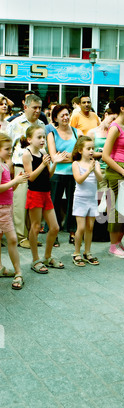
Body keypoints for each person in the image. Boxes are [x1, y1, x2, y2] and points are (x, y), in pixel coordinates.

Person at [22, 125, 66, 274]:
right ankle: (35, 259)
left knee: (54, 227)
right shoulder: (27, 154)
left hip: (46, 193)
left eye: (43, 137)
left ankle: (47, 257)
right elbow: (31, 177)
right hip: (34, 193)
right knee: (35, 227)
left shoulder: (43, 152)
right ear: (29, 139)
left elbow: (49, 175)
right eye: (39, 137)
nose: (42, 140)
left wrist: (55, 163)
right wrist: (43, 163)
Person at [6, 94, 45, 248]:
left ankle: (32, 235)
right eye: (34, 107)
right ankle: (21, 237)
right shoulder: (14, 124)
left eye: (39, 108)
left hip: (38, 168)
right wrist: (8, 167)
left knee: (34, 204)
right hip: (20, 169)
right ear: (25, 107)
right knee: (20, 204)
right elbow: (7, 147)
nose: (37, 111)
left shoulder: (42, 124)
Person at [102, 96, 124, 259]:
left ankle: (118, 242)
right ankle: (113, 246)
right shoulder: (115, 127)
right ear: (122, 108)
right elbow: (105, 155)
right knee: (116, 210)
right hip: (117, 169)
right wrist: (121, 171)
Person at [47, 104, 83, 246]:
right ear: (55, 118)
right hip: (56, 173)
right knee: (54, 204)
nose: (65, 117)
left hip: (73, 173)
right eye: (62, 115)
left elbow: (79, 154)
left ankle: (73, 232)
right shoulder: (52, 134)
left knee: (73, 203)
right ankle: (54, 233)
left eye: (67, 114)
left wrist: (66, 156)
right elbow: (53, 156)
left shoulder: (76, 132)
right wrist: (70, 156)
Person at [0, 133, 29, 290]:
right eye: (7, 149)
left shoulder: (4, 165)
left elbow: (8, 189)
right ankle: (18, 271)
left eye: (11, 148)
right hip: (2, 209)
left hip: (5, 207)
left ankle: (1, 268)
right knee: (12, 239)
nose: (10, 151)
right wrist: (15, 181)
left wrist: (16, 182)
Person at [71, 136, 102, 267]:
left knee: (90, 227)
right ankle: (76, 252)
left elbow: (100, 179)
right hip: (80, 199)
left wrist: (94, 169)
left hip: (92, 198)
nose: (91, 151)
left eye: (92, 148)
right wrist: (89, 170)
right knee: (81, 227)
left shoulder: (96, 164)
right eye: (88, 148)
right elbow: (78, 180)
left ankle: (87, 252)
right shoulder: (76, 164)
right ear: (80, 150)